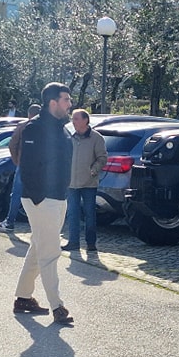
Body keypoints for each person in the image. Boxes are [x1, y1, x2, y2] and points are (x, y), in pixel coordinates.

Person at [13, 82, 75, 325]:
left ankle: (23, 297)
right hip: (41, 199)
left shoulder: (63, 128)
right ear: (53, 102)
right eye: (66, 100)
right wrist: (39, 198)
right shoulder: (34, 129)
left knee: (39, 248)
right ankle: (57, 306)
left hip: (58, 197)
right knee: (50, 253)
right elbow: (26, 168)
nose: (70, 104)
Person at [63, 108, 108, 252]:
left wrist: (94, 169)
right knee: (72, 213)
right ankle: (73, 242)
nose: (73, 122)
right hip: (72, 183)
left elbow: (102, 158)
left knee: (90, 214)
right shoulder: (71, 137)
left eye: (76, 119)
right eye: (73, 119)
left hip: (89, 182)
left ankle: (91, 243)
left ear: (85, 121)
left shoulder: (96, 138)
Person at [0, 105, 39, 232]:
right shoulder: (45, 128)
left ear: (29, 113)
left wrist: (16, 161)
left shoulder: (22, 126)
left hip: (23, 164)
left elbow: (12, 144)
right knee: (36, 195)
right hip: (38, 167)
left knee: (16, 194)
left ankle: (10, 221)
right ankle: (36, 225)